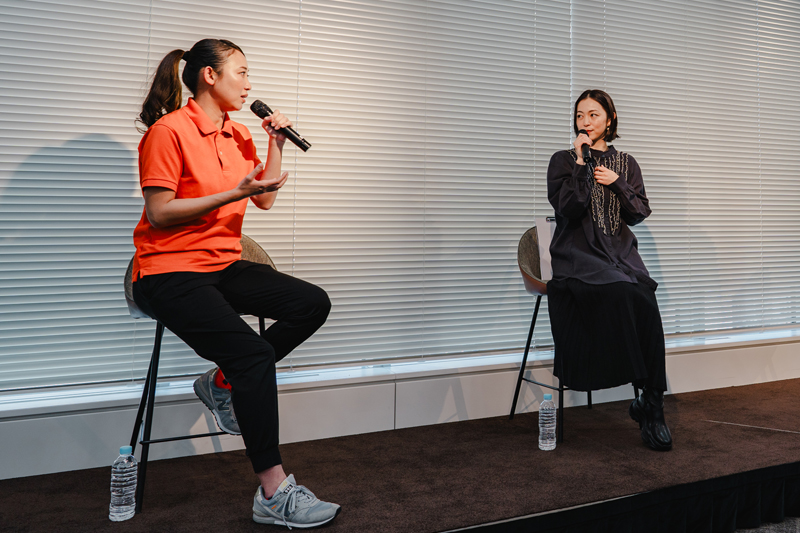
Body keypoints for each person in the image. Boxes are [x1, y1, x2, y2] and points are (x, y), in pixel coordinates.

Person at [131, 38, 341, 527]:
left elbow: (262, 200)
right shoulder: (169, 132)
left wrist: (275, 144)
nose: (249, 83)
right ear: (210, 75)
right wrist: (233, 191)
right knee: (253, 354)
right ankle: (273, 492)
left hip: (219, 264)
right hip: (166, 270)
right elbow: (160, 214)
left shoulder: (239, 133)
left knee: (312, 303)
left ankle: (221, 382)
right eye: (241, 73)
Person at [546, 89, 672, 452]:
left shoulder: (627, 163)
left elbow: (638, 213)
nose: (585, 122)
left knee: (644, 294)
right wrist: (584, 165)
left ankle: (652, 404)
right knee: (622, 291)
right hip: (579, 255)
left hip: (619, 253)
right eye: (580, 116)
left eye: (593, 115)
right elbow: (569, 208)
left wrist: (616, 182)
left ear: (609, 120)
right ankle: (646, 396)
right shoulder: (563, 160)